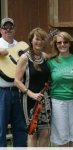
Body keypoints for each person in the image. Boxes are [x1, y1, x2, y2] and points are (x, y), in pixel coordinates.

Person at [15, 27, 52, 147]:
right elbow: (17, 81)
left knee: (46, 132)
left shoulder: (45, 57)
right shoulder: (24, 58)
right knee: (32, 132)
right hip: (29, 99)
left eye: (42, 39)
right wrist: (31, 94)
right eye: (37, 39)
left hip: (45, 98)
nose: (39, 42)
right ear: (31, 40)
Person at [47, 31, 73, 147]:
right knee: (62, 137)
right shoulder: (51, 62)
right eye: (59, 42)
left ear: (70, 44)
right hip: (58, 102)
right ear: (55, 45)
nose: (62, 44)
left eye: (65, 42)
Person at [0, 17, 27, 147]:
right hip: (2, 92)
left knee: (20, 128)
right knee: (0, 128)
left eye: (11, 27)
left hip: (18, 91)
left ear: (14, 30)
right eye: (5, 28)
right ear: (1, 30)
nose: (8, 30)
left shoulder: (21, 46)